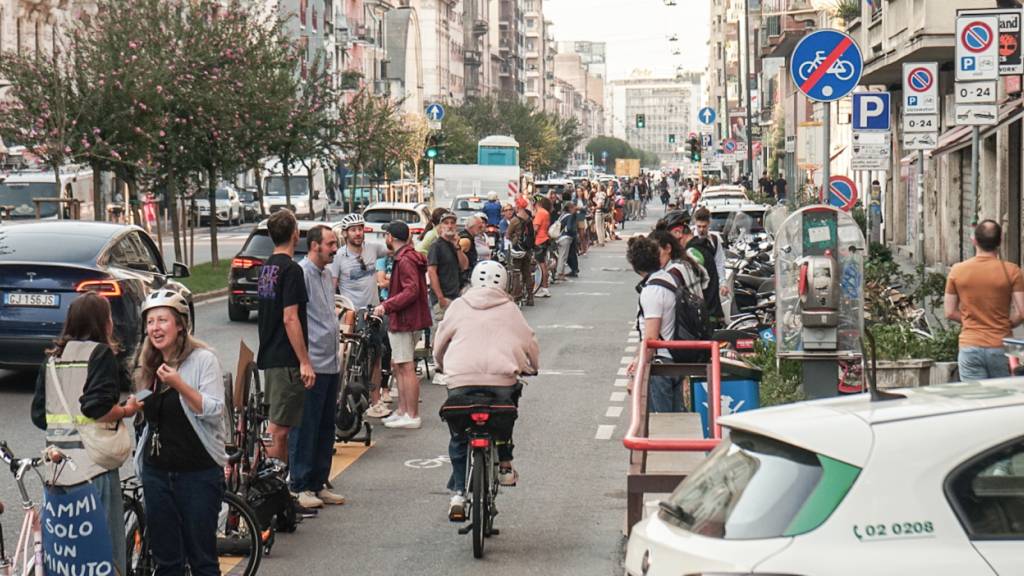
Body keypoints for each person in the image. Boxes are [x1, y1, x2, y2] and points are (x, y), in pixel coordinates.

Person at [31, 292, 138, 576]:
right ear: (102, 322)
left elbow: (39, 416)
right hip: (93, 469)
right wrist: (126, 411)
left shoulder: (52, 359)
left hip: (57, 471)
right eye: (109, 317)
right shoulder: (99, 354)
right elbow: (97, 408)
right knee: (103, 554)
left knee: (67, 558)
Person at [434, 261, 540, 521]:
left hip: (460, 380)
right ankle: (504, 463)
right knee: (506, 411)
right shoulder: (510, 308)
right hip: (501, 381)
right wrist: (532, 367)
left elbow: (440, 341)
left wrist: (441, 364)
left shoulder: (458, 306)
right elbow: (529, 341)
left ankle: (458, 493)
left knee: (459, 435)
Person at [134, 289, 228, 576]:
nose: (155, 328)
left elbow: (213, 409)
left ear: (180, 325)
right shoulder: (147, 365)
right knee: (167, 561)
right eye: (150, 322)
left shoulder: (203, 360)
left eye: (162, 320)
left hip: (197, 473)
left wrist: (179, 385)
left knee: (202, 560)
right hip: (157, 474)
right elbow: (144, 418)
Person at [291, 225, 347, 509]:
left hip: (331, 361)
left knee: (326, 426)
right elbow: (295, 319)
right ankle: (299, 485)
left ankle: (318, 482)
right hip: (313, 362)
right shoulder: (302, 274)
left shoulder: (326, 274)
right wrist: (304, 360)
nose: (335, 249)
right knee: (306, 426)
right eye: (331, 244)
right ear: (314, 245)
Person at [626, 232, 708, 413]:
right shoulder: (668, 278)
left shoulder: (653, 290)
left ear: (635, 265)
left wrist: (635, 376)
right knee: (673, 421)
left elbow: (651, 338)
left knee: (660, 425)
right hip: (674, 360)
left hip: (660, 366)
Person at [257, 209, 313, 468]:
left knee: (276, 425)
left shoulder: (267, 267)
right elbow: (290, 317)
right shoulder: (291, 270)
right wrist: (304, 361)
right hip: (286, 359)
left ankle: (268, 480)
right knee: (279, 428)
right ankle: (274, 488)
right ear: (295, 234)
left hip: (269, 355)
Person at [945, 220, 1024, 380]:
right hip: (1001, 347)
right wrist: (1006, 324)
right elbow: (1022, 312)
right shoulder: (1013, 271)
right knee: (1003, 399)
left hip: (970, 345)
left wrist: (970, 320)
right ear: (1000, 241)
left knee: (975, 398)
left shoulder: (957, 271)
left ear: (974, 240)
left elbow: (949, 312)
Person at [374, 221, 432, 429]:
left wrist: (387, 305)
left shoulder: (405, 260)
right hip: (410, 318)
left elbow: (411, 290)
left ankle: (411, 413)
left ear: (390, 237)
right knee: (400, 365)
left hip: (405, 319)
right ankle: (403, 410)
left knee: (405, 367)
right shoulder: (408, 256)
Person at [332, 213, 390, 416]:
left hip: (373, 311)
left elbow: (394, 248)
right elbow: (332, 287)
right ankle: (342, 398)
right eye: (353, 229)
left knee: (376, 354)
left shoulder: (373, 248)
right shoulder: (339, 256)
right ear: (346, 233)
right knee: (347, 357)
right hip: (351, 313)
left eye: (360, 228)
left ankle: (376, 401)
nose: (358, 233)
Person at [688, 207, 727, 325]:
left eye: (704, 226)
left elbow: (720, 263)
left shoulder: (714, 240)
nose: (701, 230)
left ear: (709, 224)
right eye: (699, 226)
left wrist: (723, 283)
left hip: (711, 285)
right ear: (695, 223)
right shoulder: (689, 239)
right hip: (694, 285)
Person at [428, 211, 469, 320]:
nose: (449, 226)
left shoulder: (455, 245)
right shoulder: (436, 246)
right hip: (443, 300)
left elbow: (464, 266)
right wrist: (440, 298)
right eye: (446, 223)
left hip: (456, 298)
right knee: (441, 334)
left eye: (452, 223)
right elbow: (432, 272)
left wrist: (457, 247)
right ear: (441, 226)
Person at [507, 200, 536, 306]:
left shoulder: (514, 220)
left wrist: (513, 238)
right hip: (527, 249)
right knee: (527, 273)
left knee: (516, 272)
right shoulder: (529, 219)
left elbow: (507, 234)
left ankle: (516, 295)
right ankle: (530, 297)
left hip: (517, 249)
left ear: (518, 206)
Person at [533, 197, 552, 298]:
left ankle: (543, 287)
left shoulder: (540, 213)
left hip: (539, 240)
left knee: (540, 266)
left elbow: (535, 227)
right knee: (543, 264)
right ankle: (544, 287)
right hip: (544, 239)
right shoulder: (546, 212)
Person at [554, 201, 579, 280]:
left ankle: (561, 273)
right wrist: (573, 232)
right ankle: (559, 274)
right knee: (563, 257)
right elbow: (569, 228)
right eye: (573, 207)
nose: (575, 208)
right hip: (566, 237)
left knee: (562, 256)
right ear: (570, 208)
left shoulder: (562, 215)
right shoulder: (570, 216)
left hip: (559, 237)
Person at [458, 215, 484, 287]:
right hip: (462, 279)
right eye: (479, 227)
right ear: (471, 227)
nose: (481, 229)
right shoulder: (466, 240)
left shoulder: (469, 238)